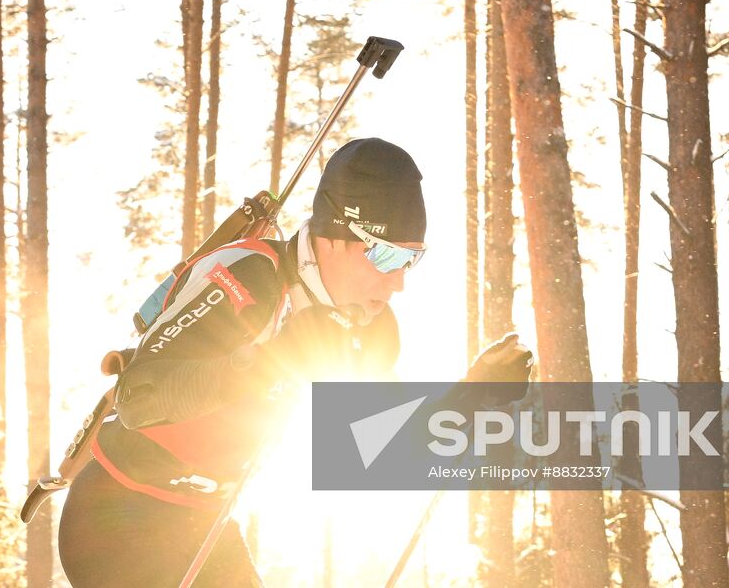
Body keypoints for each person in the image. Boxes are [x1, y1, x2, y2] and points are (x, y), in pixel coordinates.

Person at [57, 137, 530, 587]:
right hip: (115, 515)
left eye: (411, 260)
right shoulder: (247, 276)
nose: (397, 282)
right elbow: (140, 398)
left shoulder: (370, 330)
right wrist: (270, 359)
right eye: (385, 255)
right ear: (333, 236)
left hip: (203, 522)